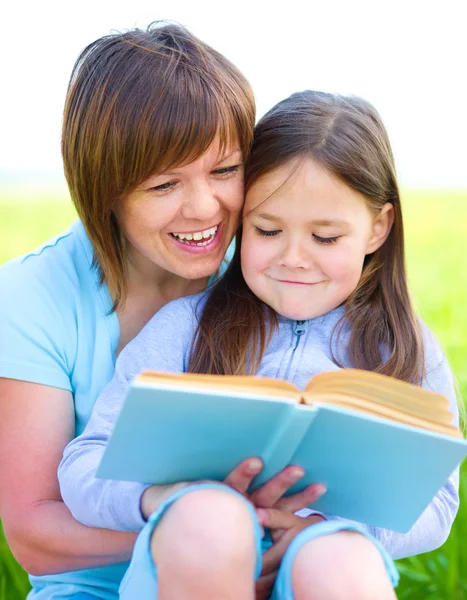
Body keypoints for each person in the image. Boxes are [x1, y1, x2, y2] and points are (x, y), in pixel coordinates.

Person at [58, 90, 462, 600]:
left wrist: (328, 524)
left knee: (341, 558)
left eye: (326, 238)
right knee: (212, 519)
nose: (293, 258)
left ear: (378, 228)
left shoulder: (405, 349)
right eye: (267, 229)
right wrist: (161, 496)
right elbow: (84, 465)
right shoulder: (185, 327)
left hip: (317, 560)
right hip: (188, 561)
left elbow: (438, 504)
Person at [0, 23, 319, 600]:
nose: (204, 207)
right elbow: (33, 534)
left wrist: (288, 539)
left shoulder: (266, 273)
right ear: (105, 188)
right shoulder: (30, 298)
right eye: (164, 184)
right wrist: (209, 532)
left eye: (225, 171)